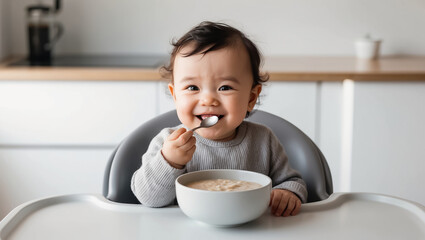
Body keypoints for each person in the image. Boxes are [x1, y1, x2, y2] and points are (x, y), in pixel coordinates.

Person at [131, 21, 307, 217]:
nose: (208, 100)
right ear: (175, 96)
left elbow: (293, 182)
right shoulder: (168, 143)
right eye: (192, 87)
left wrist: (287, 193)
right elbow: (148, 199)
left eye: (225, 87)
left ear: (250, 98)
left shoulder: (264, 140)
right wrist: (170, 162)